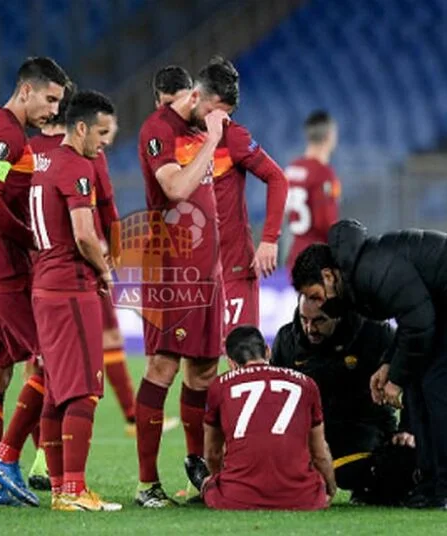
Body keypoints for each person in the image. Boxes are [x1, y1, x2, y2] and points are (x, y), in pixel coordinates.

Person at [291, 220, 447, 510]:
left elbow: (419, 323)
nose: (319, 304)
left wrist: (396, 379)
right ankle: (429, 484)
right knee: (420, 387)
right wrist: (390, 363)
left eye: (316, 295)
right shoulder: (356, 276)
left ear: (328, 275)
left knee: (440, 391)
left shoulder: (369, 272)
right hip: (442, 300)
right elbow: (411, 317)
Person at [0, 57, 68, 507]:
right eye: (50, 99)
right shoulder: (8, 136)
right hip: (2, 271)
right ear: (26, 90)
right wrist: (30, 238)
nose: (53, 110)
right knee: (50, 359)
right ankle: (4, 460)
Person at [134, 63, 231, 508]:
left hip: (207, 270)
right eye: (216, 110)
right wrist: (212, 139)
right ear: (194, 96)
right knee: (164, 368)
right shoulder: (160, 129)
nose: (220, 121)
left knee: (205, 370)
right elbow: (174, 188)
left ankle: (196, 464)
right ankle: (146, 484)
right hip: (171, 271)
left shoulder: (200, 129)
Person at [29, 90, 121, 512]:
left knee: (55, 392)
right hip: (70, 287)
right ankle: (74, 490)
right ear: (80, 127)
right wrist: (104, 271)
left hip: (44, 285)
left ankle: (61, 489)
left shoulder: (42, 160)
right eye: (100, 133)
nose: (105, 142)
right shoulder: (76, 166)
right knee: (84, 391)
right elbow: (85, 233)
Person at [271, 294, 417, 505]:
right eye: (304, 319)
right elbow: (273, 396)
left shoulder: (375, 333)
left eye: (319, 320)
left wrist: (408, 427)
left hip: (363, 427)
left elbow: (413, 378)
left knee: (388, 465)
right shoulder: (286, 339)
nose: (310, 328)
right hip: (310, 434)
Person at [186, 325, 336, 510]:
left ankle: (205, 483)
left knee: (203, 475)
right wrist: (329, 490)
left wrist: (217, 480)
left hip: (236, 498)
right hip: (303, 497)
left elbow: (212, 453)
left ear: (231, 363)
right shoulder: (306, 383)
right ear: (267, 350)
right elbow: (320, 453)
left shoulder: (220, 386)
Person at [204, 56, 288, 331]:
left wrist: (269, 239)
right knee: (195, 367)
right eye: (214, 111)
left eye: (226, 113)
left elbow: (277, 178)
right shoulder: (176, 137)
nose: (220, 119)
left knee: (240, 354)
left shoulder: (234, 138)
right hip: (194, 271)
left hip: (234, 267)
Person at [285, 111, 341, 271]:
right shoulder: (324, 173)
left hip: (295, 255)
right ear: (330, 136)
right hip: (318, 258)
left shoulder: (292, 168)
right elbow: (326, 222)